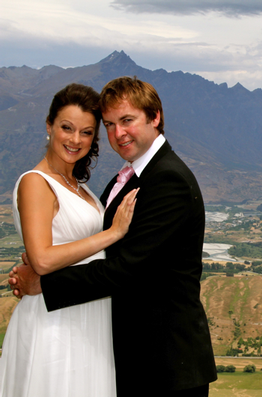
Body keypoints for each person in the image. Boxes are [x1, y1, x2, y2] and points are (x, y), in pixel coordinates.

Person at [10, 76, 218, 396]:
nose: (117, 133)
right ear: (49, 126)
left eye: (127, 120)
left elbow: (127, 269)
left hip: (164, 364)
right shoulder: (132, 177)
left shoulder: (167, 181)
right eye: (108, 124)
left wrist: (43, 282)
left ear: (155, 117)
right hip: (120, 350)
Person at [0, 83, 138, 396]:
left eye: (86, 132)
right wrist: (112, 233)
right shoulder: (36, 183)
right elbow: (43, 259)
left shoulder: (81, 187)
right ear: (49, 127)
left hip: (89, 317)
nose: (75, 140)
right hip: (54, 324)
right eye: (67, 128)